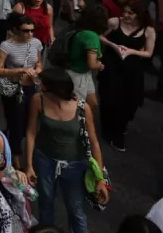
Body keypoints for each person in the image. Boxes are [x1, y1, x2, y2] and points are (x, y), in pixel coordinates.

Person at [26, 68, 108, 233]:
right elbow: (31, 132)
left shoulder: (82, 108)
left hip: (75, 164)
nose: (40, 86)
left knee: (76, 209)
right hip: (45, 160)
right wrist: (29, 165)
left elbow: (94, 143)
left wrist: (100, 180)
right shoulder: (38, 100)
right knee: (45, 204)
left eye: (43, 84)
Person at [99, 0, 156, 151]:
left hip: (133, 70)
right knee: (109, 98)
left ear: (139, 14)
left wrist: (131, 51)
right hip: (112, 66)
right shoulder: (114, 22)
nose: (126, 15)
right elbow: (99, 36)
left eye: (130, 13)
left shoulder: (148, 30)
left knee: (130, 102)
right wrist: (114, 46)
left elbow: (149, 53)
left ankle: (120, 125)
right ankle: (111, 132)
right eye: (124, 11)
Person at [0, 13, 43, 169]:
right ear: (16, 30)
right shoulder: (7, 46)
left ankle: (27, 153)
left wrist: (37, 71)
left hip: (31, 87)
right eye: (25, 31)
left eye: (32, 30)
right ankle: (15, 156)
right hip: (13, 89)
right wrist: (19, 70)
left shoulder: (36, 43)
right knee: (16, 123)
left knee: (31, 122)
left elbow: (39, 63)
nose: (30, 34)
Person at [66, 8, 108, 109]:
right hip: (78, 76)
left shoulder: (80, 30)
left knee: (92, 103)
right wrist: (100, 65)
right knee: (80, 108)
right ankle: (81, 120)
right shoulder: (91, 36)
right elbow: (92, 64)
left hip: (82, 73)